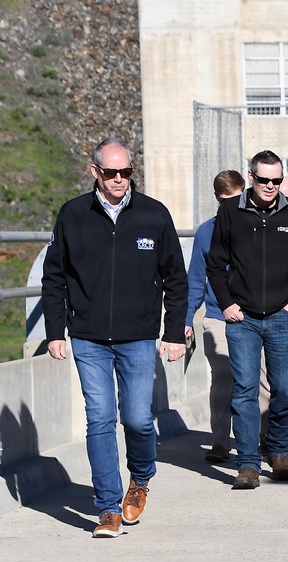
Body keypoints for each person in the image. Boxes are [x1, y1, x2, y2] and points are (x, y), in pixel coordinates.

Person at [41, 138, 188, 538]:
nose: (120, 179)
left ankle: (139, 478)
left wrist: (174, 332)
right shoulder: (73, 214)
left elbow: (176, 278)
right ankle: (107, 507)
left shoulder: (153, 215)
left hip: (139, 336)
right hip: (87, 336)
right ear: (95, 173)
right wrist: (56, 331)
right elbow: (53, 276)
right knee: (101, 419)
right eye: (111, 173)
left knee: (139, 419)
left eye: (126, 172)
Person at [206, 150, 288, 489]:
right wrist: (226, 304)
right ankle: (247, 463)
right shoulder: (230, 213)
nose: (271, 186)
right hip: (243, 318)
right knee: (244, 390)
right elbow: (215, 263)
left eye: (277, 180)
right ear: (251, 177)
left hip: (284, 316)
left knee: (285, 388)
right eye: (264, 179)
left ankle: (279, 449)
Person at [185, 170, 254, 463]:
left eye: (236, 200)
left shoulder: (257, 226)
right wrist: (186, 318)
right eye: (225, 201)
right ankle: (221, 442)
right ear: (217, 199)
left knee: (259, 380)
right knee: (224, 377)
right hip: (217, 315)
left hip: (255, 314)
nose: (230, 206)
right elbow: (196, 279)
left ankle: (259, 438)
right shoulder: (205, 232)